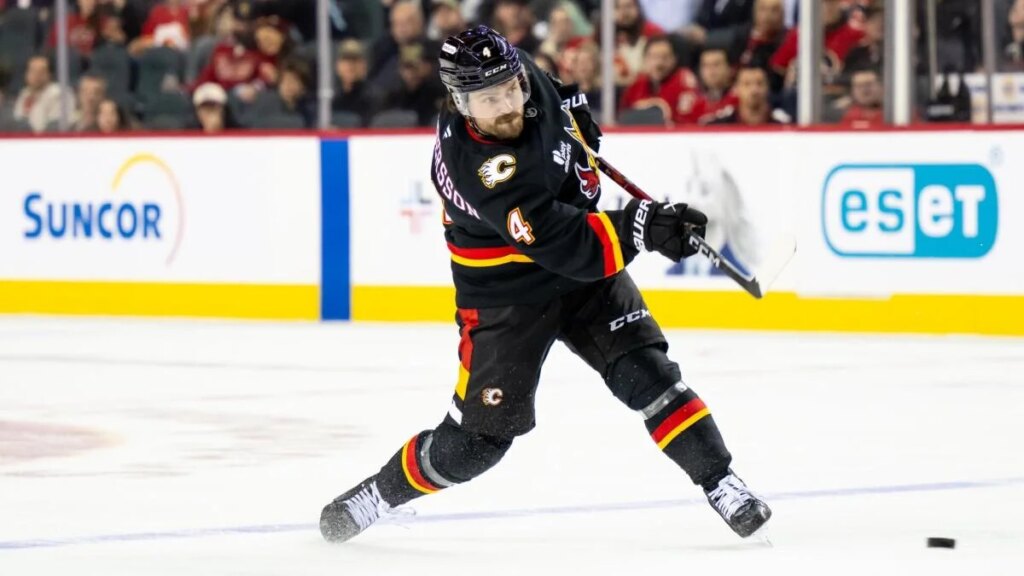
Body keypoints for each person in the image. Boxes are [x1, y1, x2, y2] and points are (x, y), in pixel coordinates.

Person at [319, 25, 772, 544]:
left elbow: (552, 91)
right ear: (461, 103)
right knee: (476, 444)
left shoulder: (512, 72)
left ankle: (721, 481)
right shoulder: (484, 171)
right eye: (490, 101)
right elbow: (566, 243)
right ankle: (378, 494)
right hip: (506, 296)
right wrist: (643, 226)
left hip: (580, 274)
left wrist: (574, 110)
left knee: (649, 375)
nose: (508, 106)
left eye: (511, 89)